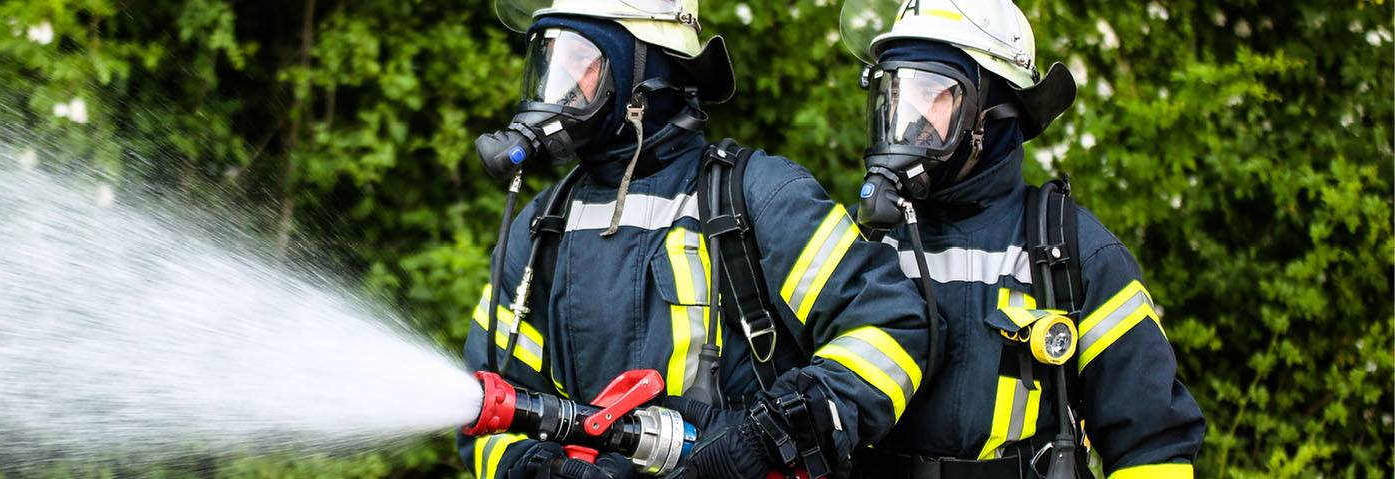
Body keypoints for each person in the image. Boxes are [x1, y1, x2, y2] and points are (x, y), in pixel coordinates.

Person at [459, 1, 938, 477]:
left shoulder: (759, 196)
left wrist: (768, 436)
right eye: (549, 64)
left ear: (642, 76)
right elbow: (489, 407)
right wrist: (534, 468)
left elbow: (888, 329)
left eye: (580, 63)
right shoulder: (542, 227)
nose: (557, 90)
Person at [834, 1, 1206, 478]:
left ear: (993, 113)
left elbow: (1153, 446)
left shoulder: (1075, 255)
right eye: (896, 92)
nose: (909, 118)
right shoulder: (860, 242)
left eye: (933, 94)